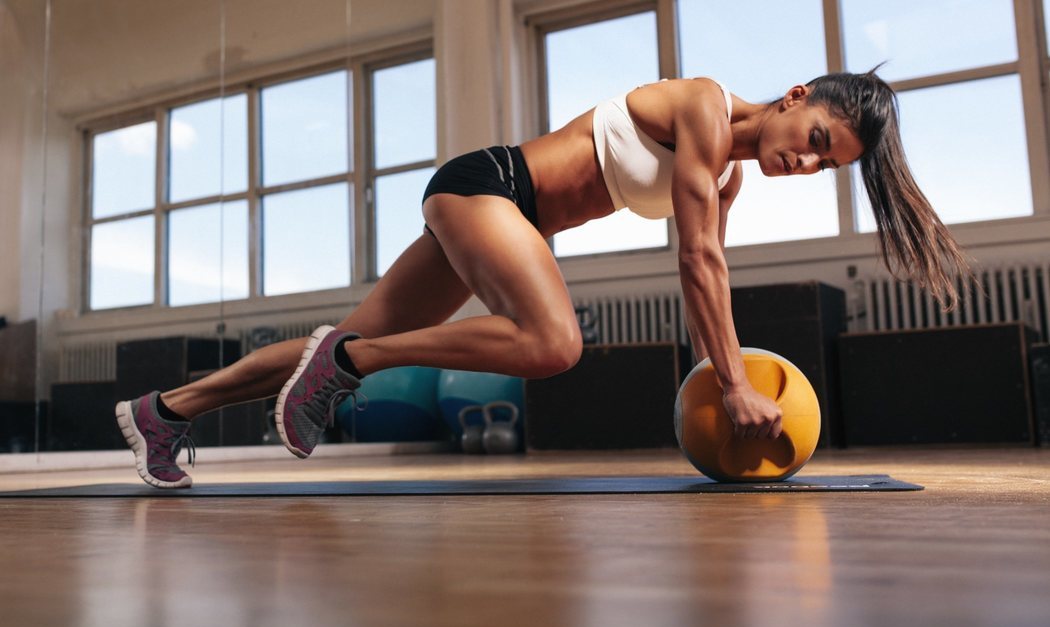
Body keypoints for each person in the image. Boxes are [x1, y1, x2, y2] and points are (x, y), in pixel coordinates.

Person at [116, 68, 970, 488]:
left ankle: (163, 415)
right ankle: (353, 370)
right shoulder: (706, 108)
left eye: (827, 168)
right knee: (555, 344)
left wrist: (727, 370)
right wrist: (735, 383)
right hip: (489, 186)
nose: (806, 163)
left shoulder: (726, 178)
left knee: (337, 339)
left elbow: (707, 271)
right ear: (796, 98)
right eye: (819, 140)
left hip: (506, 219)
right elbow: (698, 260)